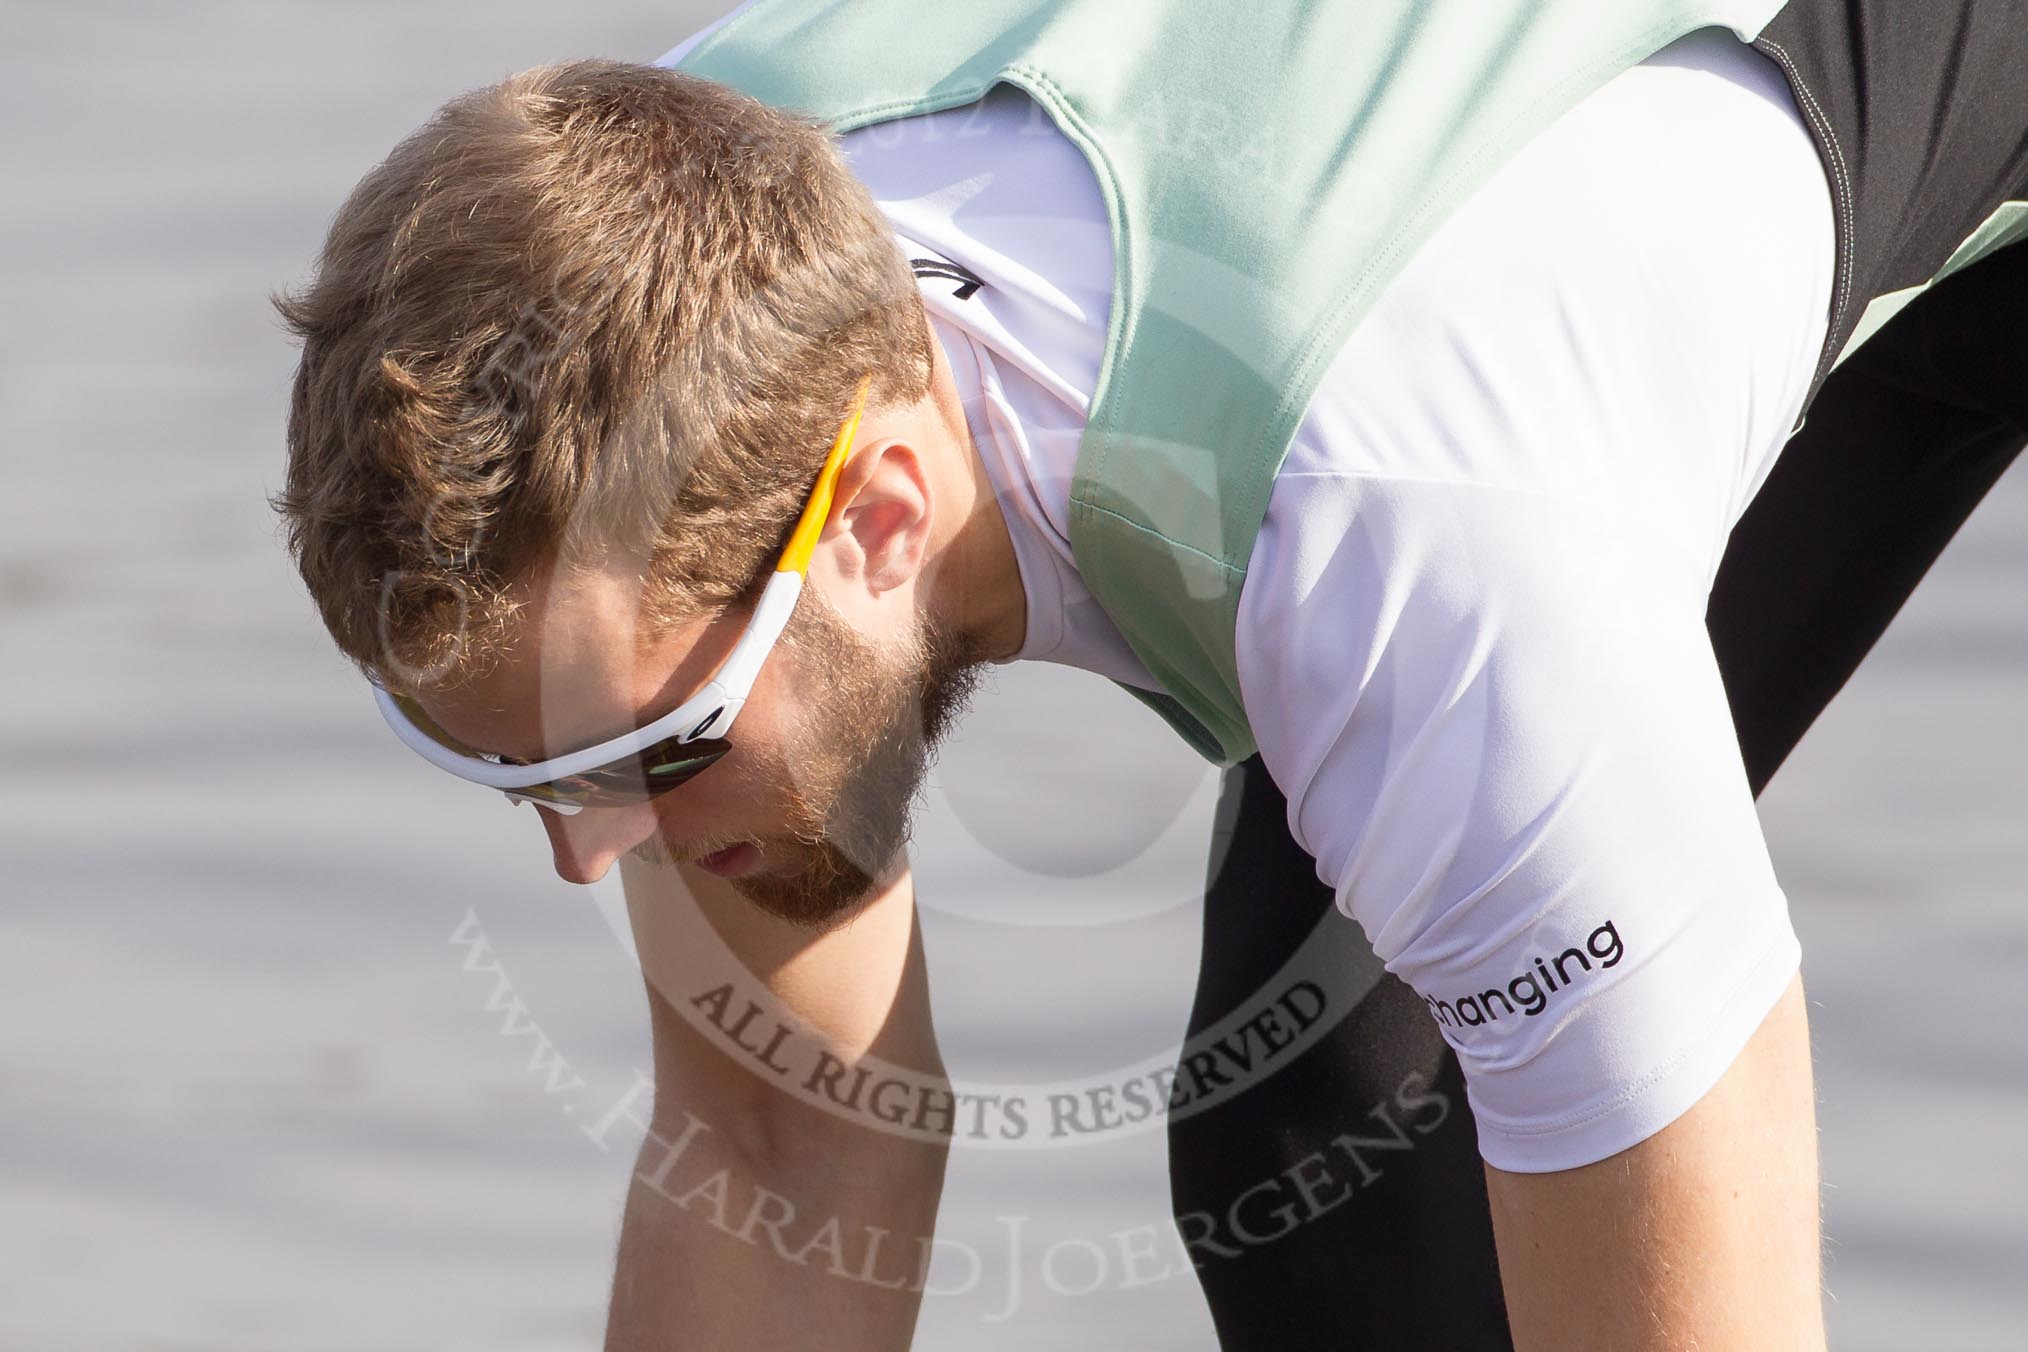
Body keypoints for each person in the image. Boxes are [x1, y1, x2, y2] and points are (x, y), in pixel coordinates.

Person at [272, 1, 2027, 1347]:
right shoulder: (676, 283)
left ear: (879, 516)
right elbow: (772, 1145)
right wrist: (646, 742)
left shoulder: (1414, 551)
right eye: (521, 776)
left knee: (1367, 1144)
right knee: (1327, 1144)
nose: (588, 855)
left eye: (650, 747)